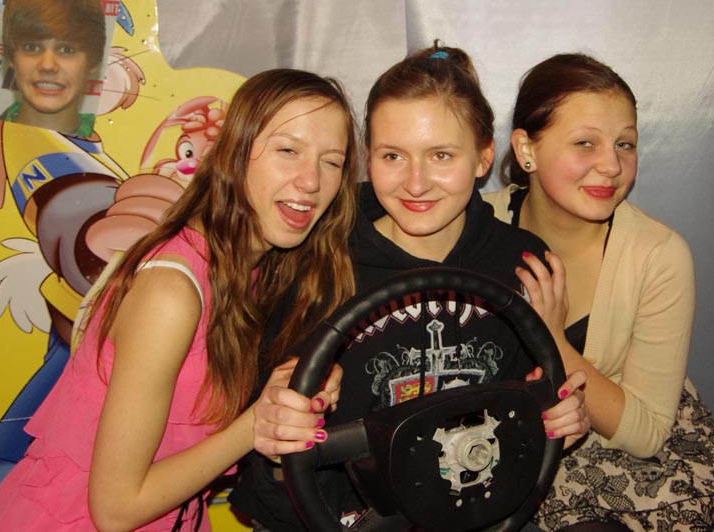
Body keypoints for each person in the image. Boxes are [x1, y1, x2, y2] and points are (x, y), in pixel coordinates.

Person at [0, 69, 359, 531]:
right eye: (288, 150)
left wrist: (296, 386)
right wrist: (256, 424)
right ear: (235, 154)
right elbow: (116, 509)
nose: (311, 181)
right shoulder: (172, 292)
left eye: (331, 162)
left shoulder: (254, 270)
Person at [230, 44, 589, 531]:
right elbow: (270, 477)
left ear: (484, 156)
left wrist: (560, 422)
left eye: (441, 155)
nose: (415, 184)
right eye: (393, 156)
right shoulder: (313, 258)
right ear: (367, 157)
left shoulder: (524, 265)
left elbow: (526, 429)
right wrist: (277, 443)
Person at [487, 53, 714, 532]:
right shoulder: (475, 227)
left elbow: (647, 434)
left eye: (624, 144)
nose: (611, 165)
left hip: (628, 456)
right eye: (585, 143)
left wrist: (553, 340)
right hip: (506, 447)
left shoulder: (658, 255)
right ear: (526, 149)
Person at [0, 0, 106, 136]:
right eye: (32, 47)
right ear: (11, 56)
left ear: (94, 60)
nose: (47, 65)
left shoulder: (118, 146)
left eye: (66, 50)